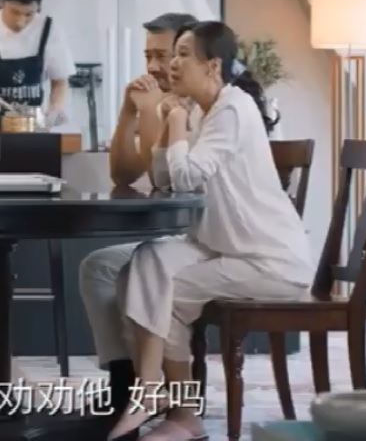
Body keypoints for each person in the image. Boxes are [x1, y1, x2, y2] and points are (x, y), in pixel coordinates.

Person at [107, 22, 312, 441]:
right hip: (224, 247)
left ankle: (177, 411)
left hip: (267, 260)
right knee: (145, 260)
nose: (173, 63)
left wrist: (175, 120)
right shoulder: (203, 109)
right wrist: (171, 122)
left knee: (166, 292)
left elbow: (187, 178)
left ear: (213, 65)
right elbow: (167, 180)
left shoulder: (232, 109)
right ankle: (153, 389)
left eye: (183, 54)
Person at [79, 12, 198, 418]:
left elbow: (158, 173)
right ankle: (123, 383)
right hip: (178, 237)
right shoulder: (161, 100)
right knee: (98, 266)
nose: (153, 66)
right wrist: (127, 115)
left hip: (201, 239)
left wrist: (148, 113)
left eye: (163, 55)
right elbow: (123, 173)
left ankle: (151, 392)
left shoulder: (192, 104)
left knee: (135, 265)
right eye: (148, 55)